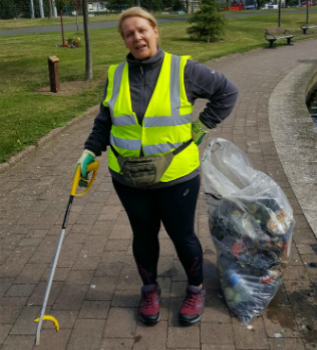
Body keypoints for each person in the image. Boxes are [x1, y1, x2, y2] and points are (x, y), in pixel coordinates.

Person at [76, 7, 238, 325]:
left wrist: (203, 125)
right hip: (127, 177)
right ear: (124, 40)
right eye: (128, 33)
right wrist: (88, 151)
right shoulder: (115, 75)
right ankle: (149, 290)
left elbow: (227, 92)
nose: (136, 37)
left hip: (176, 175)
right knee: (143, 235)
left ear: (155, 30)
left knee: (183, 236)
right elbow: (105, 120)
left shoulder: (184, 69)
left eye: (142, 30)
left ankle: (195, 288)